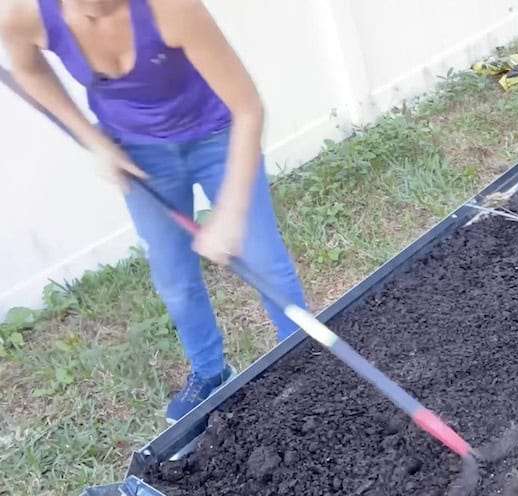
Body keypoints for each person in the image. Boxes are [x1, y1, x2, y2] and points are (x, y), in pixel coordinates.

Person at [0, 0, 307, 422]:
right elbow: (27, 70)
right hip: (141, 159)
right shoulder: (24, 15)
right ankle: (210, 373)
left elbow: (247, 107)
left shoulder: (170, 7)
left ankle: (304, 362)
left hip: (217, 139)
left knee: (265, 263)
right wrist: (93, 139)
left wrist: (231, 214)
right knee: (174, 278)